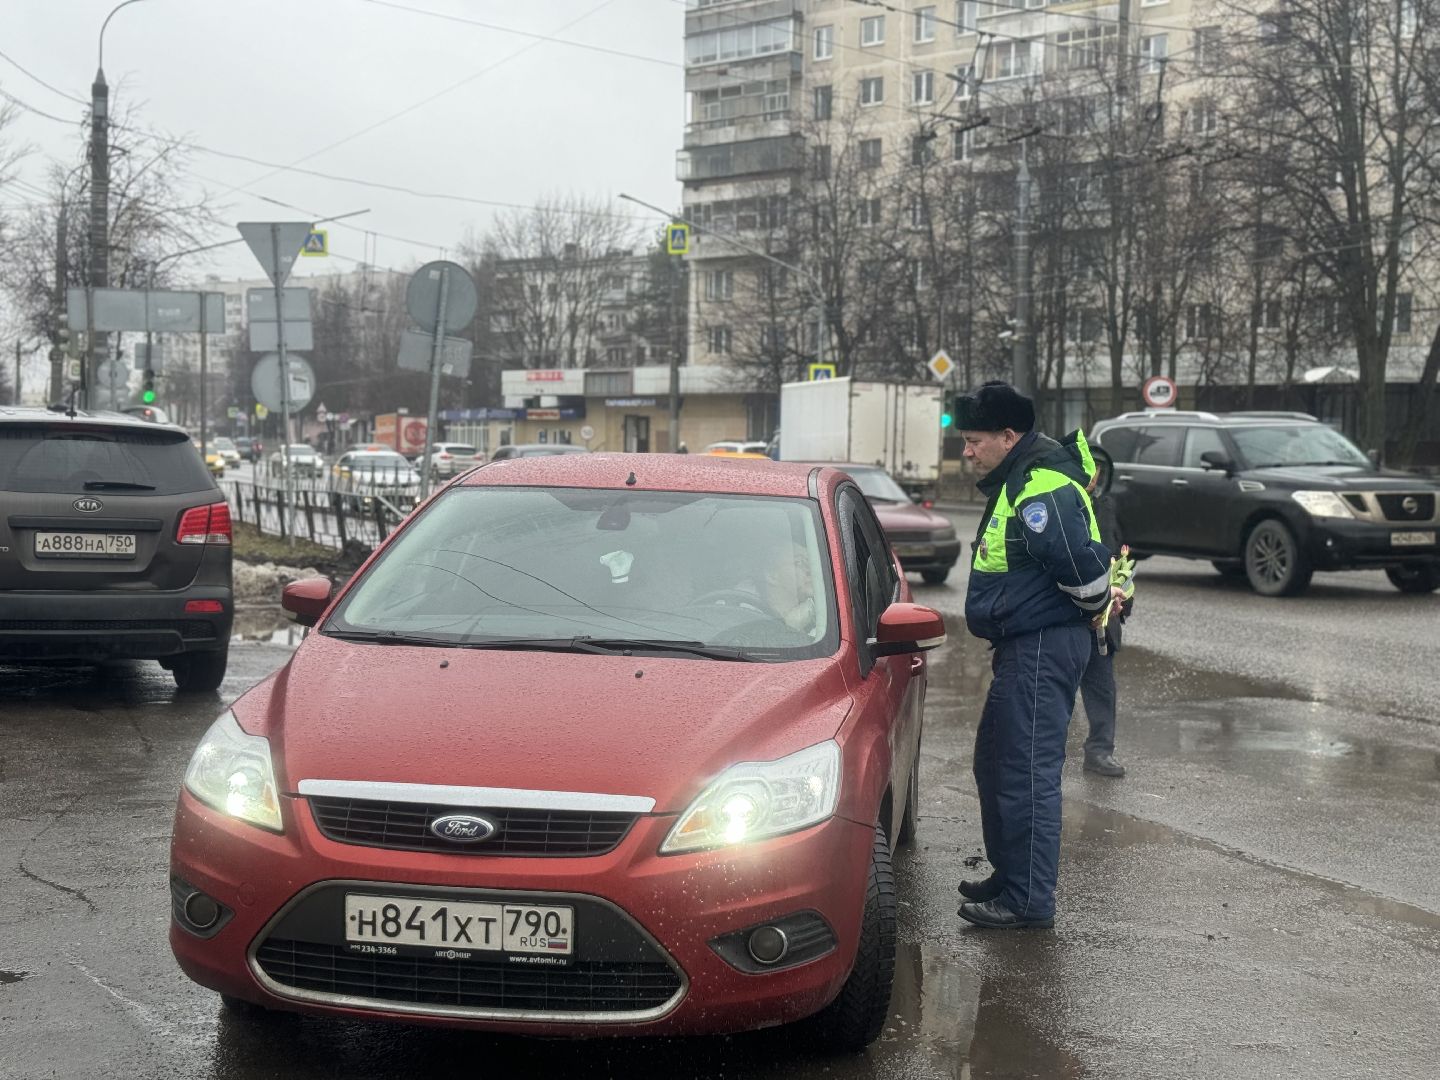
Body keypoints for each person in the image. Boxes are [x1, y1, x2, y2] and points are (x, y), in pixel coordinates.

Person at [955, 382, 1121, 930]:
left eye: (974, 440)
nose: (967, 451)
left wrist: (1086, 609)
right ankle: (1011, 874)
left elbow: (1082, 572)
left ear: (1008, 436)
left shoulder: (1040, 486)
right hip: (1025, 646)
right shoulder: (1020, 478)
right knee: (996, 764)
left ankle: (1027, 900)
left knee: (1025, 774)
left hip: (1042, 646)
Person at [1078, 446, 1127, 778]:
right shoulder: (1060, 504)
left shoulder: (1107, 507)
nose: (1093, 476)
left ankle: (1099, 751)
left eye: (1098, 469)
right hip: (1069, 612)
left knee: (1101, 685)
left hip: (1105, 613)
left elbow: (1122, 554)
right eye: (1087, 468)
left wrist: (1123, 600)